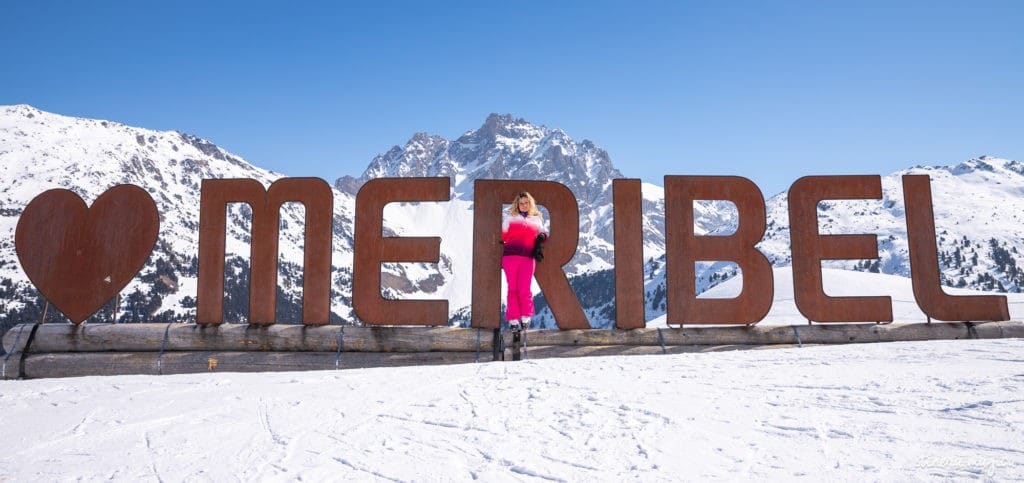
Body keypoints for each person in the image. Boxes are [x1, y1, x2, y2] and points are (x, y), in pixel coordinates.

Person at [501, 191, 548, 330]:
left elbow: (544, 233)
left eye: (526, 203)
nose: (524, 205)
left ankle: (526, 317)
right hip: (510, 257)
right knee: (513, 288)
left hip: (528, 258)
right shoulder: (510, 218)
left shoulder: (536, 219)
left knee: (525, 288)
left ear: (530, 204)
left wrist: (540, 238)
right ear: (517, 204)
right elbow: (503, 235)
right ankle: (513, 319)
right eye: (521, 203)